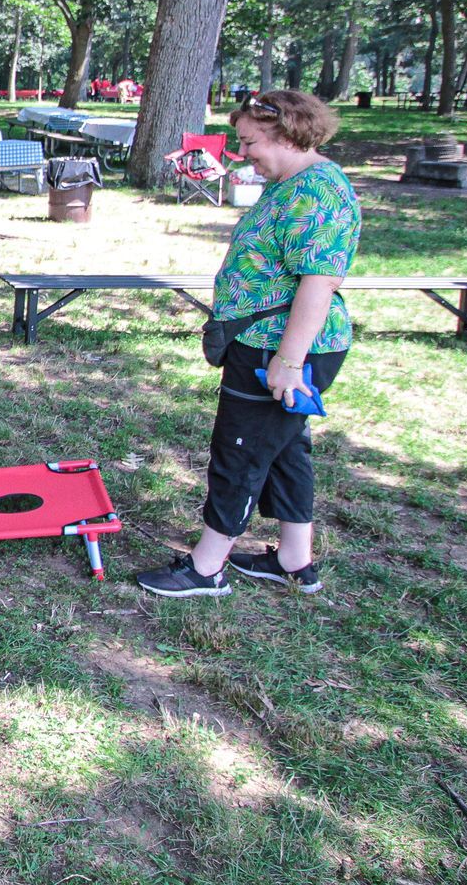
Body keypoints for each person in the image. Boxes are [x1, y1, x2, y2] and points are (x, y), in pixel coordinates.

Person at [137, 90, 359, 600]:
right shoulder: (292, 183)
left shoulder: (317, 194)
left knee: (241, 451)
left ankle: (206, 568)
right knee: (284, 450)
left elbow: (318, 283)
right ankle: (293, 561)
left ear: (287, 134)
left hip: (276, 349)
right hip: (263, 344)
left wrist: (289, 361)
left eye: (249, 141)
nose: (242, 152)